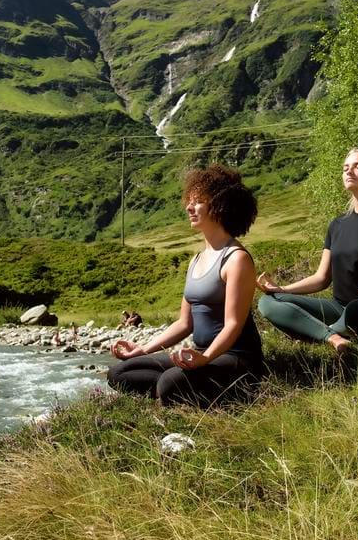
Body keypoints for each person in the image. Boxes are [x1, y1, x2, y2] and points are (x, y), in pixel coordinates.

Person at [107, 165, 263, 406]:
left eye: (198, 201)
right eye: (189, 201)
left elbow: (233, 324)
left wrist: (206, 357)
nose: (189, 208)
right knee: (120, 372)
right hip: (200, 354)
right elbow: (184, 323)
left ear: (221, 205)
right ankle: (178, 390)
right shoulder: (197, 259)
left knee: (169, 382)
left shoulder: (236, 259)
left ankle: (193, 390)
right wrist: (142, 349)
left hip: (235, 358)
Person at [256, 147, 358, 353]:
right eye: (346, 168)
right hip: (341, 307)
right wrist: (282, 290)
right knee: (268, 302)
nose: (349, 171)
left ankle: (316, 330)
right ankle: (334, 337)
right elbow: (321, 278)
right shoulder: (337, 224)